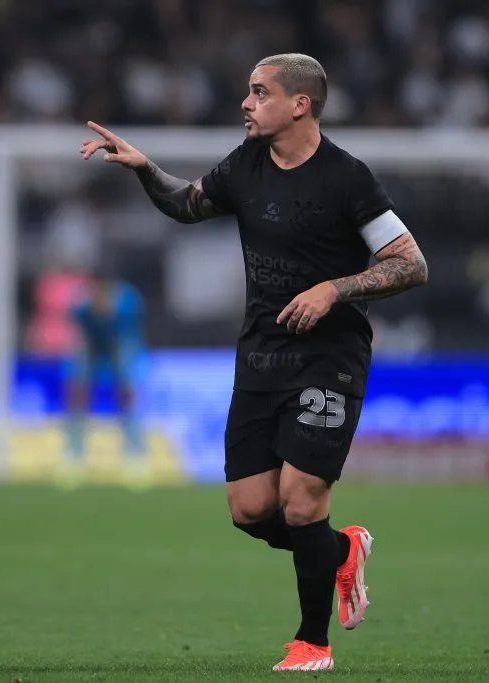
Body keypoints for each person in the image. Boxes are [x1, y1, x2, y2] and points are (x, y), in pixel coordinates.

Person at [80, 53, 428, 671]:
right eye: (247, 91)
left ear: (301, 104)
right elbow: (188, 205)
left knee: (300, 499)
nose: (246, 102)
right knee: (250, 510)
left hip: (330, 357)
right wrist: (143, 169)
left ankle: (312, 643)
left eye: (259, 92)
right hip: (261, 356)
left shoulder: (348, 179)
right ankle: (341, 551)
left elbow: (410, 264)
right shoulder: (245, 166)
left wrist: (333, 289)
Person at [60, 270, 148, 487]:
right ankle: (73, 454)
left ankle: (135, 456)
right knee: (77, 392)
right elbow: (75, 325)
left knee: (126, 394)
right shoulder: (82, 304)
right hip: (92, 349)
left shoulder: (128, 301)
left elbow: (132, 332)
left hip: (120, 345)